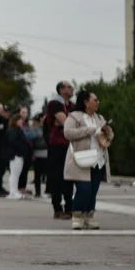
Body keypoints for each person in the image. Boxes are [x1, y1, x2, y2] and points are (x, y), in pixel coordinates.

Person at [64, 91, 113, 230]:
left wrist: (108, 131)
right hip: (82, 159)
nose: (98, 102)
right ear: (86, 102)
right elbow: (67, 133)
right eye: (95, 100)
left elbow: (109, 136)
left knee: (93, 190)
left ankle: (88, 217)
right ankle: (77, 216)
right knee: (83, 189)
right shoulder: (74, 117)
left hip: (98, 160)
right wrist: (89, 130)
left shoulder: (99, 118)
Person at [45, 82, 75, 219]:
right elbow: (67, 122)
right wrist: (70, 122)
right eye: (69, 87)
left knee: (69, 177)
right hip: (57, 145)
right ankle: (57, 208)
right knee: (57, 177)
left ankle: (69, 207)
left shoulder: (72, 106)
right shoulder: (54, 104)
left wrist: (71, 122)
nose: (71, 89)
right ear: (61, 90)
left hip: (70, 145)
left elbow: (78, 121)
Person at [5, 113, 30, 200]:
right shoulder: (14, 130)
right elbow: (13, 142)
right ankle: (13, 192)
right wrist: (20, 150)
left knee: (16, 174)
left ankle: (14, 191)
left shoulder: (18, 130)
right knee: (14, 174)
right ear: (15, 121)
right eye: (19, 120)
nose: (21, 121)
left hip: (18, 155)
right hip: (15, 155)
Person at [29, 116, 48, 198]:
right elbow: (32, 140)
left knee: (49, 174)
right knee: (37, 175)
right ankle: (38, 192)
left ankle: (48, 191)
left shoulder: (49, 128)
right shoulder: (35, 128)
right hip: (37, 153)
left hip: (47, 153)